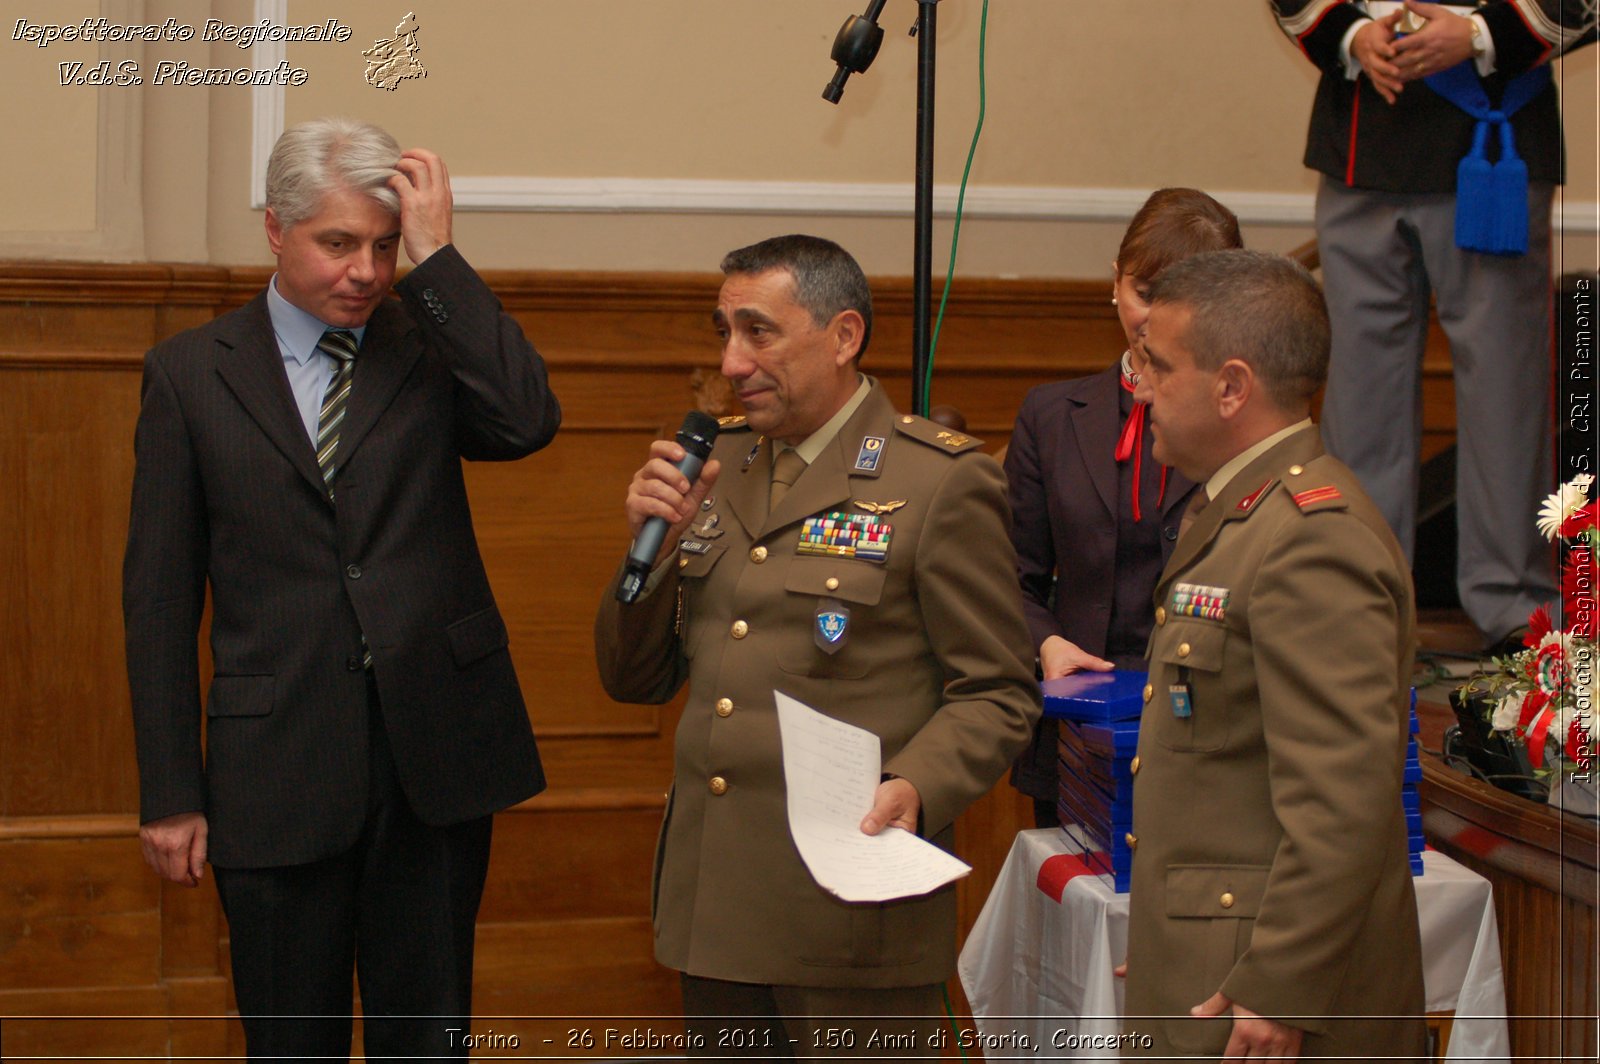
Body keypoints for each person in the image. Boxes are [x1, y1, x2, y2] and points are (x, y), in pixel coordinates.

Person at [124, 118, 560, 1059]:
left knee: (430, 1038)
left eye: (384, 245)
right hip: (274, 770)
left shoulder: (425, 341)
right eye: (337, 243)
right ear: (276, 230)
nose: (365, 270)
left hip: (435, 760)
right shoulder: (191, 373)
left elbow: (526, 420)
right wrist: (169, 790)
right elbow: (157, 600)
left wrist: (439, 264)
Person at [593, 235, 1040, 1056]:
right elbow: (634, 680)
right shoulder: (716, 465)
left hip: (849, 916)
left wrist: (918, 783)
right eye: (724, 331)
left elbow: (999, 691)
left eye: (758, 332)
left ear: (843, 336)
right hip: (718, 909)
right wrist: (645, 554)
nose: (732, 361)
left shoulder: (938, 481)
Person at [1122, 250, 1426, 1059]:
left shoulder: (1308, 542)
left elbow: (1341, 800)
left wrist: (1278, 981)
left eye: (1156, 364)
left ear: (1231, 386)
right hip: (1218, 962)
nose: (1139, 385)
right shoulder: (1239, 514)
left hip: (1268, 996)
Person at [1270, 0, 1596, 651]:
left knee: (1505, 393)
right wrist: (1354, 35)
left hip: (1491, 139)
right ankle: (1359, 597)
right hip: (1362, 140)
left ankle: (1515, 611)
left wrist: (1477, 34)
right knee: (1361, 398)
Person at [1004, 188, 1237, 828]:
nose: (1152, 318)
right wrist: (1045, 643)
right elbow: (1007, 575)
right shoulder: (1050, 417)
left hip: (1213, 734)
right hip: (1073, 727)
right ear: (1114, 281)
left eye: (1183, 298)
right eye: (1143, 291)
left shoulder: (1241, 421)